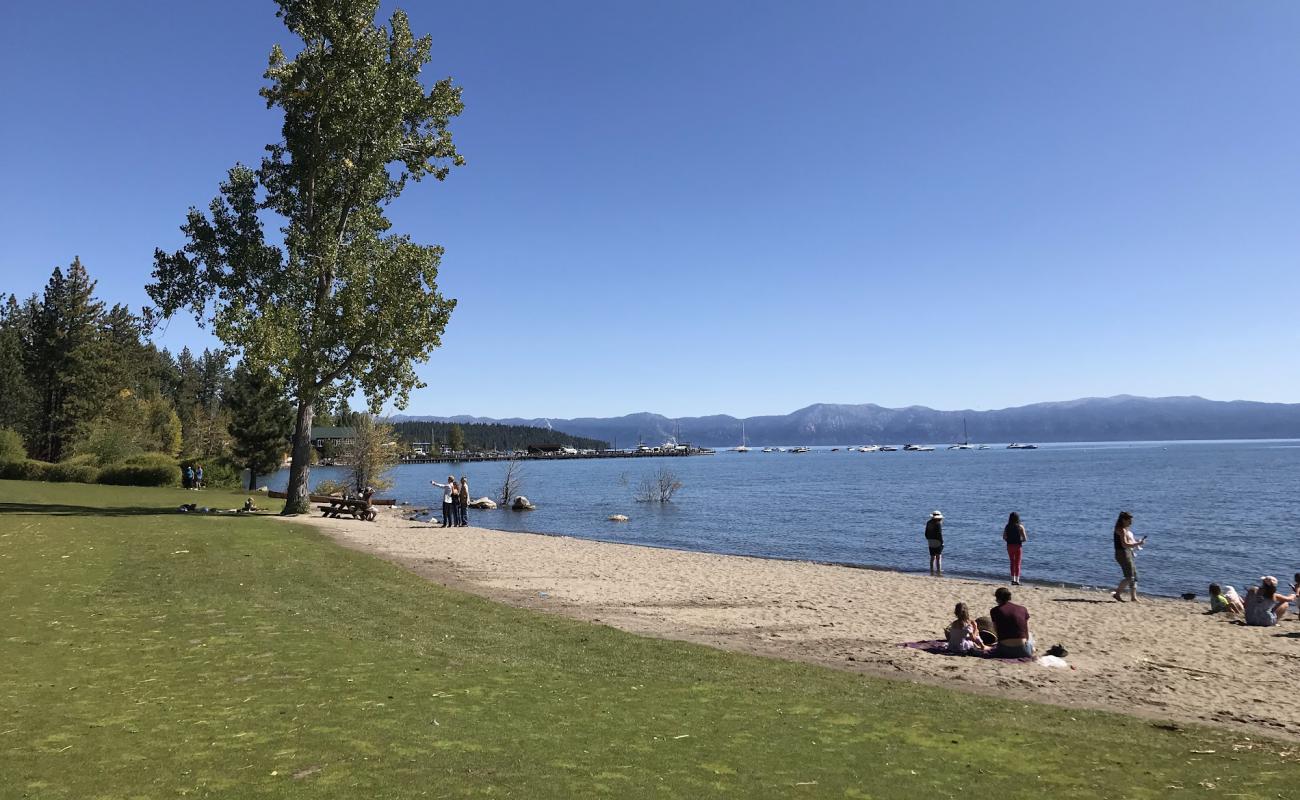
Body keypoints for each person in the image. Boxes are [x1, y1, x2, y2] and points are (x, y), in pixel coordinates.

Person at [989, 586, 1034, 658]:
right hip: (1024, 651)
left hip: (1004, 650)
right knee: (1030, 635)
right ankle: (1032, 649)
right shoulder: (1023, 609)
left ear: (997, 598)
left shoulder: (994, 611)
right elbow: (1025, 630)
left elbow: (996, 630)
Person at [1111, 511, 1145, 602]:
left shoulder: (1124, 529)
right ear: (1123, 520)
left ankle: (1133, 597)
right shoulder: (1121, 530)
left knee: (1134, 575)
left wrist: (1136, 542)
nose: (1131, 522)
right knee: (1129, 576)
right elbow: (1125, 544)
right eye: (1129, 520)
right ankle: (1117, 594)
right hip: (1122, 554)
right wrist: (1138, 543)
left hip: (1127, 552)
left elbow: (1127, 543)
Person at [1003, 511, 1027, 586]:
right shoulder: (1020, 526)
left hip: (1009, 546)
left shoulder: (1007, 526)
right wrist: (1019, 540)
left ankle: (1012, 580)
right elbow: (1025, 539)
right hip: (1018, 546)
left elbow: (1004, 537)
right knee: (1018, 563)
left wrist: (1009, 540)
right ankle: (1017, 580)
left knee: (1012, 562)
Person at [925, 510, 944, 576]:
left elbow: (926, 533)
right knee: (938, 557)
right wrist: (942, 542)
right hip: (937, 542)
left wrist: (929, 540)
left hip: (931, 541)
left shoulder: (928, 522)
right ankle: (938, 571)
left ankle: (931, 570)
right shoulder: (938, 523)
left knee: (932, 557)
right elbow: (939, 534)